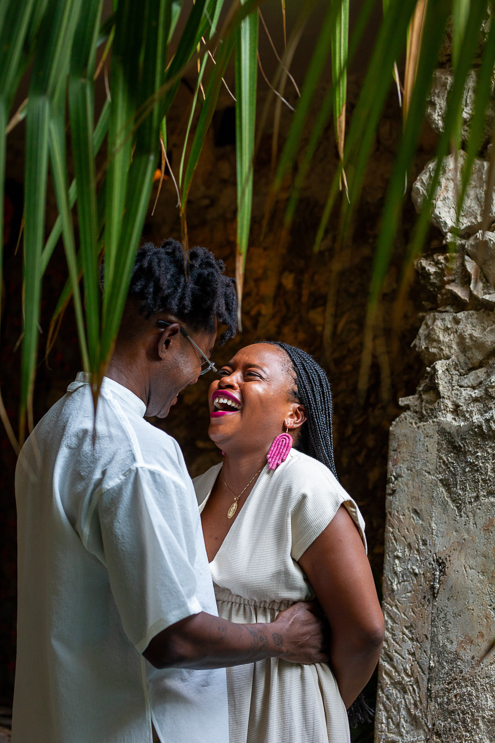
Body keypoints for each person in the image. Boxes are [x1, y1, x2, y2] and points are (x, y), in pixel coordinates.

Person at [12, 241, 328, 743]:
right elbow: (172, 636)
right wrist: (278, 637)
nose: (199, 381)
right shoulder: (139, 452)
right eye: (203, 361)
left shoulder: (48, 433)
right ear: (167, 341)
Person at [194, 341, 385, 743]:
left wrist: (318, 707)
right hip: (198, 712)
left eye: (251, 375)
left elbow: (365, 631)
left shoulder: (306, 488)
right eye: (226, 371)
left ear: (294, 415)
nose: (226, 379)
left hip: (282, 716)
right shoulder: (191, 491)